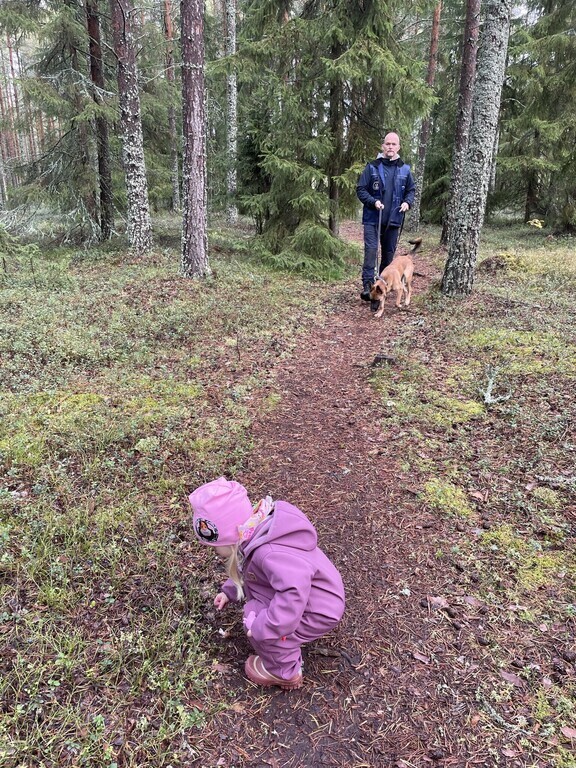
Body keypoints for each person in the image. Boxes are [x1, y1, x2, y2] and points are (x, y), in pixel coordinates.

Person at [189, 476, 345, 690]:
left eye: (215, 547)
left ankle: (284, 671)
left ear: (230, 538)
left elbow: (293, 593)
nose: (215, 552)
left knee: (254, 616)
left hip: (316, 609)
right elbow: (248, 570)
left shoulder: (267, 554)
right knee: (266, 614)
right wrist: (229, 591)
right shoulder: (259, 530)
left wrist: (266, 627)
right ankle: (283, 639)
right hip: (322, 593)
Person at [356, 132, 416, 301]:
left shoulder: (405, 169)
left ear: (398, 147)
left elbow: (411, 190)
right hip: (372, 219)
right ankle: (368, 287)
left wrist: (407, 202)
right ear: (383, 146)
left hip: (394, 220)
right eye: (387, 144)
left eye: (393, 144)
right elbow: (361, 189)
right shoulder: (372, 167)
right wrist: (373, 201)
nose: (390, 147)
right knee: (371, 252)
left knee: (388, 256)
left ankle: (382, 287)